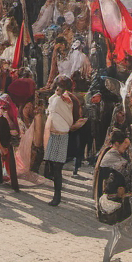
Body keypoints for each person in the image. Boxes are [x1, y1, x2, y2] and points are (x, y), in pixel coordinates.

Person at [95, 128, 132, 262]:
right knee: (114, 233)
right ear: (117, 143)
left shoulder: (110, 153)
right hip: (112, 201)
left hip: (116, 200)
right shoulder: (111, 158)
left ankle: (108, 259)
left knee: (117, 232)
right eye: (125, 145)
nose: (126, 149)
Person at [44, 75, 78, 207]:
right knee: (54, 167)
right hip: (56, 133)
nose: (58, 89)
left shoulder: (62, 100)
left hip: (60, 135)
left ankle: (57, 196)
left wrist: (56, 95)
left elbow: (51, 107)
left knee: (57, 168)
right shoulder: (63, 99)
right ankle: (56, 194)